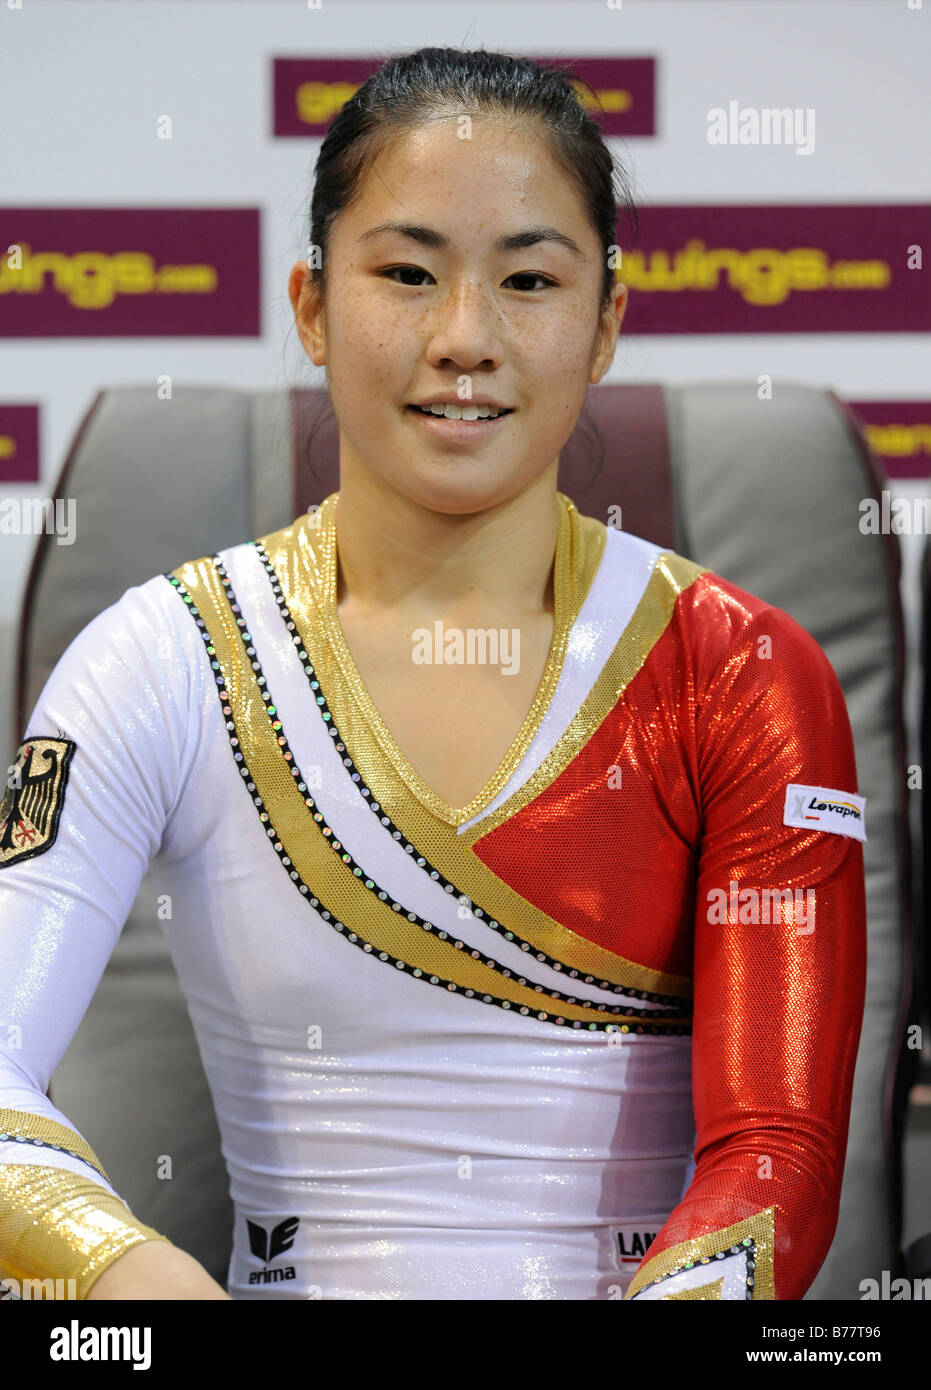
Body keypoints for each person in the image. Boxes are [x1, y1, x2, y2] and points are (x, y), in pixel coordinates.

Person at [0, 46, 866, 1302]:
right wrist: (138, 1285)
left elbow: (777, 1152)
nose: (464, 339)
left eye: (528, 281)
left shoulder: (744, 675)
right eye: (407, 274)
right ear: (310, 306)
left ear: (606, 322)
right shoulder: (162, 660)